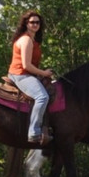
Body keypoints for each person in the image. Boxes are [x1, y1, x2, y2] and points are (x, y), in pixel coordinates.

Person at [9, 11, 55, 146]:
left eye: (38, 22)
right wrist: (44, 73)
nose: (35, 24)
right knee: (42, 97)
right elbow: (26, 65)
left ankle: (47, 127)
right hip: (20, 74)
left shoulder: (33, 39)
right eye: (32, 22)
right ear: (26, 24)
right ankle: (34, 132)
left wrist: (41, 73)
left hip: (28, 74)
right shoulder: (26, 40)